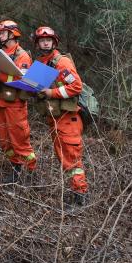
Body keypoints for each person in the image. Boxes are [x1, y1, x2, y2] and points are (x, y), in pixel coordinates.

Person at [32, 26, 88, 204]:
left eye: (48, 40)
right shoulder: (41, 63)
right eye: (42, 40)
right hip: (55, 118)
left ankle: (81, 196)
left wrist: (51, 93)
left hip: (68, 118)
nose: (45, 42)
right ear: (38, 43)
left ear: (54, 42)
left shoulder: (60, 62)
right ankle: (74, 193)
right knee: (64, 158)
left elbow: (76, 86)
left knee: (72, 159)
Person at [0, 19, 36, 183]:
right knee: (4, 141)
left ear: (12, 34)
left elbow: (21, 79)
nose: (1, 35)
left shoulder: (22, 55)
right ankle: (15, 170)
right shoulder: (0, 53)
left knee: (20, 141)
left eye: (3, 32)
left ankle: (30, 173)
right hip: (1, 102)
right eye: (0, 33)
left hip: (15, 105)